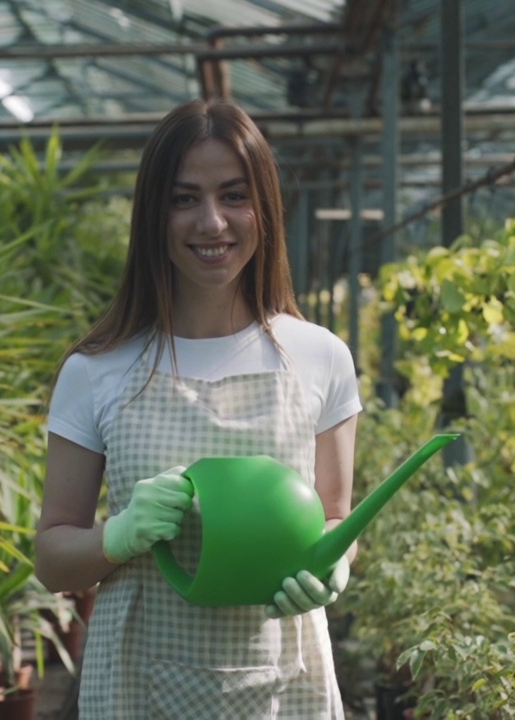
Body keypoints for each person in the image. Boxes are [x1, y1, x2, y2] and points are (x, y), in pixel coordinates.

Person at [35, 97, 362, 719]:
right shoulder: (96, 371)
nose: (211, 223)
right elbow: (53, 560)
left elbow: (335, 520)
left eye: (233, 195)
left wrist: (333, 566)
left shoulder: (319, 357)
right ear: (153, 216)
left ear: (264, 208)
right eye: (184, 199)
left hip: (283, 679)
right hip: (136, 681)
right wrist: (117, 536)